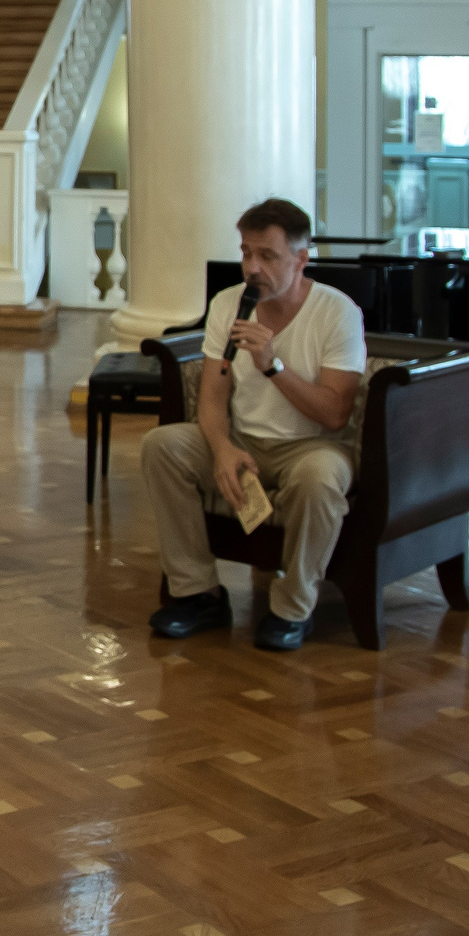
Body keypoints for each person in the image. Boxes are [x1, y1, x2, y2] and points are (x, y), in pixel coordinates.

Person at [141, 198, 367, 651]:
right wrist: (222, 448)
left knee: (320, 479)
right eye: (246, 253)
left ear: (301, 259)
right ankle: (199, 594)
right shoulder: (228, 303)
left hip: (313, 447)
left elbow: (334, 414)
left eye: (267, 256)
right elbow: (212, 395)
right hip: (245, 440)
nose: (252, 268)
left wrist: (272, 365)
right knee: (162, 446)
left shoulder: (337, 312)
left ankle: (292, 609)